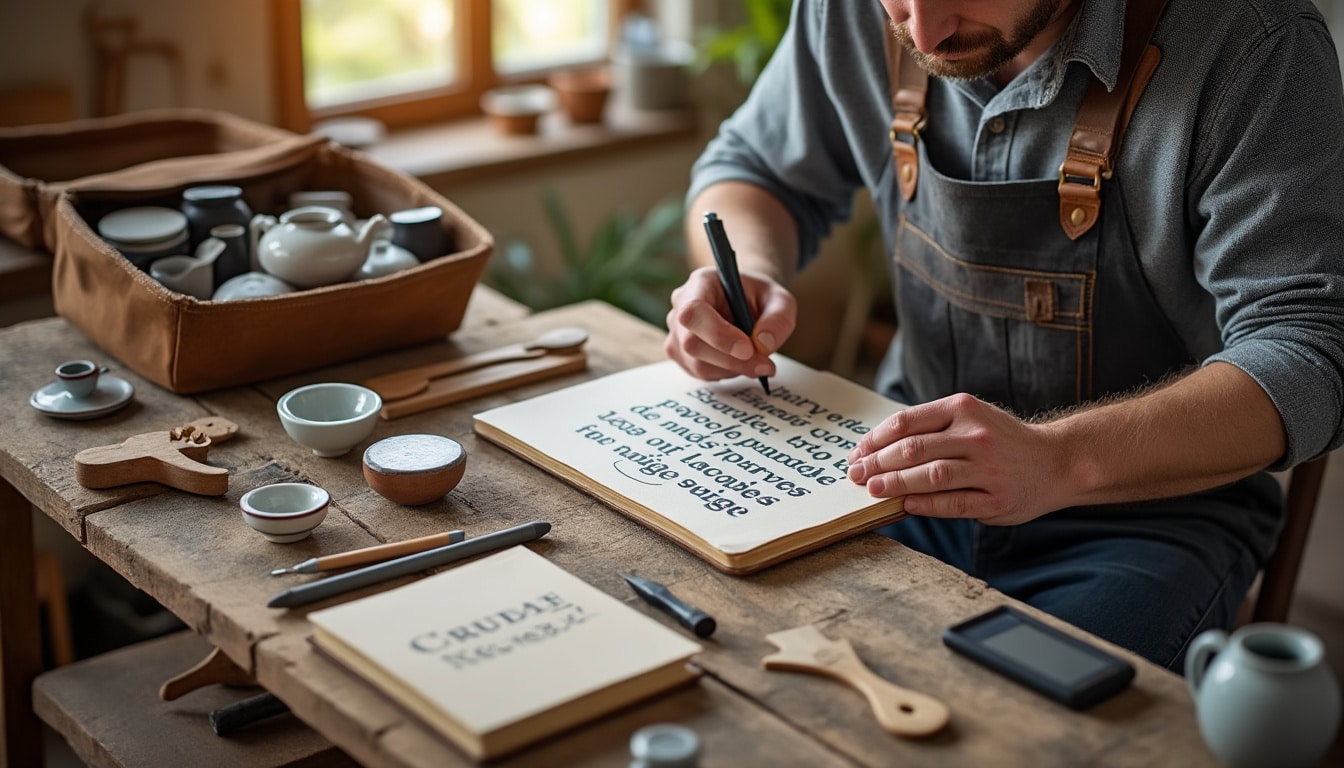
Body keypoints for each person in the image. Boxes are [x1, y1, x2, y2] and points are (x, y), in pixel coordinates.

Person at [664, 0, 1344, 669]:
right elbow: (753, 168)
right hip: (900, 473)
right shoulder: (856, 13)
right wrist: (744, 273)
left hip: (1145, 522)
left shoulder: (1253, 43)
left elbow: (1309, 351)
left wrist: (1056, 461)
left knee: (1021, 728)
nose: (922, 31)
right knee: (734, 650)